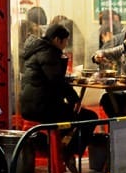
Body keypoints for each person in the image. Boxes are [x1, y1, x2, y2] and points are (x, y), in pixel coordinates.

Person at [19, 23, 95, 157]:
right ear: (57, 40)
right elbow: (57, 81)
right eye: (65, 41)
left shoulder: (37, 51)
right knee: (90, 117)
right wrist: (74, 98)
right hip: (42, 109)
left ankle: (56, 147)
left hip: (29, 107)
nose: (66, 44)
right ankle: (68, 153)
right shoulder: (49, 53)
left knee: (73, 116)